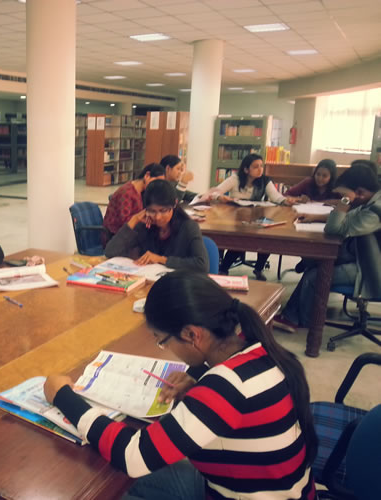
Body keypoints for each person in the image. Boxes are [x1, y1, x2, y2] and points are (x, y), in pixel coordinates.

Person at [44, 271, 317, 500]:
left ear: (192, 334)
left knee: (112, 482)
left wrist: (62, 395)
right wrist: (198, 375)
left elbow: (131, 455)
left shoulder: (224, 389)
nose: (165, 347)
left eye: (162, 340)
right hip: (259, 489)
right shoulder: (256, 346)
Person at [274, 163, 381, 332]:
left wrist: (345, 200)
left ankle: (305, 322)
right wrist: (316, 217)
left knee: (315, 275)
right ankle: (291, 316)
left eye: (343, 195)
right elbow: (348, 218)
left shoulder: (375, 211)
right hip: (362, 258)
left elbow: (334, 228)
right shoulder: (372, 201)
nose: (342, 198)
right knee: (317, 263)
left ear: (359, 193)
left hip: (371, 270)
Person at [206, 153, 295, 280]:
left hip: (256, 217)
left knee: (267, 239)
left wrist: (286, 201)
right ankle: (224, 269)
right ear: (246, 169)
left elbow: (276, 197)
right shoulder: (235, 179)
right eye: (255, 167)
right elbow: (214, 192)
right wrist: (220, 197)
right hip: (235, 218)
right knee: (240, 241)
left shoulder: (265, 181)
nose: (260, 169)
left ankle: (258, 269)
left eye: (261, 166)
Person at [104, 180, 208, 272]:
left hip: (177, 282)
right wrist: (134, 220)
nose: (158, 217)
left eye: (163, 211)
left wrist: (161, 259)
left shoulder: (188, 227)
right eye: (152, 211)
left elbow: (202, 265)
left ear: (174, 204)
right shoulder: (145, 225)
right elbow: (110, 252)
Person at [103, 163, 164, 237]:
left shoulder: (141, 191)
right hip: (116, 236)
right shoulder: (126, 192)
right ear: (147, 175)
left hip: (130, 232)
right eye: (156, 181)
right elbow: (125, 223)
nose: (157, 186)